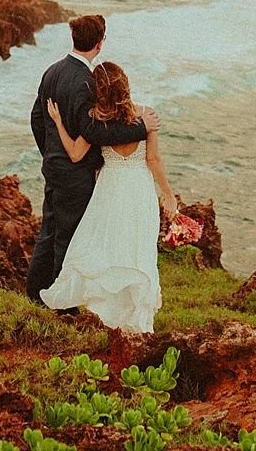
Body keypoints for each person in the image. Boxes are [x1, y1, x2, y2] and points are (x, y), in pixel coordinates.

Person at [25, 15, 159, 304]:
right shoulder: (86, 82)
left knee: (49, 230)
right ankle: (64, 304)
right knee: (69, 238)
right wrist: (140, 128)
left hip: (54, 166)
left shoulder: (52, 72)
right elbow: (92, 130)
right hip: (75, 171)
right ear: (100, 44)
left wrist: (50, 154)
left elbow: (37, 118)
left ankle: (34, 293)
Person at [39, 61, 179, 333]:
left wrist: (58, 123)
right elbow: (154, 159)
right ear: (125, 85)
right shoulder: (146, 115)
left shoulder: (95, 120)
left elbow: (76, 154)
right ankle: (135, 321)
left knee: (107, 249)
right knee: (137, 252)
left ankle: (105, 317)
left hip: (110, 189)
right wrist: (168, 195)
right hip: (139, 189)